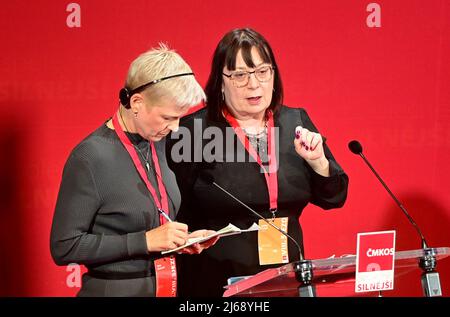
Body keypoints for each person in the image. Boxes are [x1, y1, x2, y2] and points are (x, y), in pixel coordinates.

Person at [166, 28, 349, 296]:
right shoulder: (193, 132)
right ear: (221, 81)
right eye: (240, 75)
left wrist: (319, 162)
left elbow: (335, 197)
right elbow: (170, 211)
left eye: (263, 72)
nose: (254, 84)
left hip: (285, 280)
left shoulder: (294, 122)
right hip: (215, 283)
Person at [50, 44, 218, 297]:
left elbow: (153, 227)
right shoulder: (90, 156)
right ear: (137, 102)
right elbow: (65, 246)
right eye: (167, 117)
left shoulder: (156, 143)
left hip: (164, 288)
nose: (174, 128)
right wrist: (145, 241)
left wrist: (181, 241)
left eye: (179, 118)